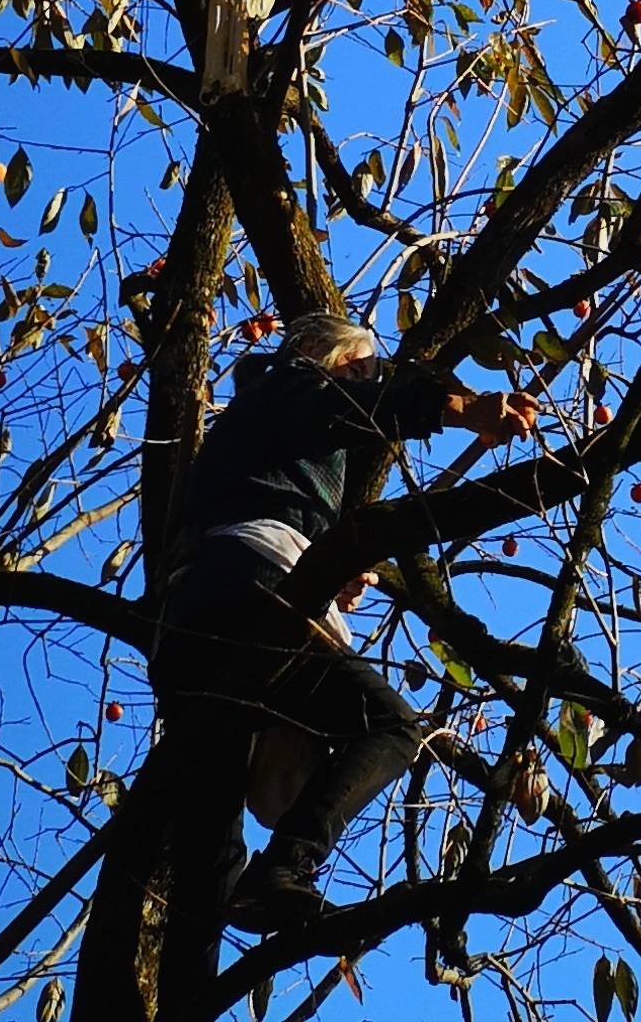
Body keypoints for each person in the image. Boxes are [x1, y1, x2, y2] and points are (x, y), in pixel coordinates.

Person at [149, 307, 502, 951]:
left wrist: (329, 563)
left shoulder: (261, 434)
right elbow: (348, 406)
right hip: (249, 589)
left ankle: (226, 919)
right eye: (359, 366)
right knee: (392, 725)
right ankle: (289, 862)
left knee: (208, 874)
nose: (366, 380)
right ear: (316, 349)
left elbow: (270, 490)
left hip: (194, 627)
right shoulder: (289, 383)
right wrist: (458, 407)